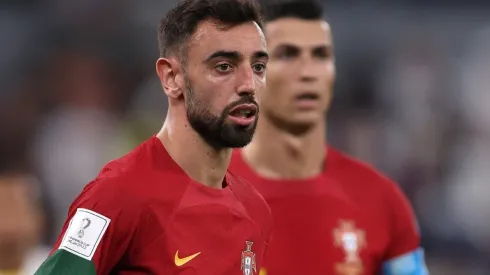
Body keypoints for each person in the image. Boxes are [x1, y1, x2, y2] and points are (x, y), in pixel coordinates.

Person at [35, 0, 271, 274]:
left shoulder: (255, 210)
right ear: (171, 78)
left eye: (258, 67)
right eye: (223, 67)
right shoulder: (117, 195)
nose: (248, 85)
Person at [229, 1, 429, 274]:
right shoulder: (201, 198)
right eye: (287, 55)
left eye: (320, 55)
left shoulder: (382, 201)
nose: (308, 72)